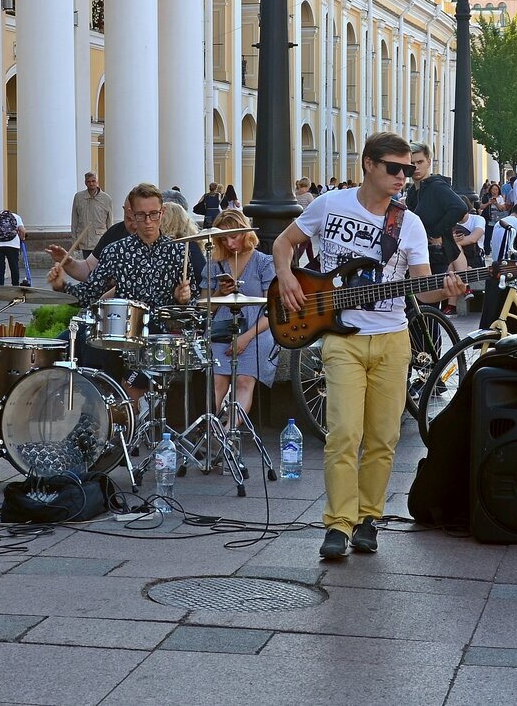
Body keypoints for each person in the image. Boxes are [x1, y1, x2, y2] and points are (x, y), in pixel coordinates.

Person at [271, 132, 464, 559]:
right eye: (394, 168)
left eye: (409, 169)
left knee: (382, 437)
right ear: (369, 165)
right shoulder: (330, 205)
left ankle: (368, 519)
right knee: (343, 433)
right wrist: (286, 276)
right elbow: (284, 242)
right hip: (342, 339)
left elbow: (420, 286)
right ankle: (338, 524)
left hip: (394, 339)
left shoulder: (408, 222)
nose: (403, 177)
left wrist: (448, 289)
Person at [47, 182, 195, 400]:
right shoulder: (116, 251)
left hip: (157, 337)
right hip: (122, 331)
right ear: (132, 215)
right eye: (141, 215)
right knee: (88, 344)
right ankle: (97, 412)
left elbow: (192, 309)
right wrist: (61, 286)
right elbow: (89, 294)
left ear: (162, 213)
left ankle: (129, 413)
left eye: (153, 214)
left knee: (132, 386)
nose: (147, 222)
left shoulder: (178, 251)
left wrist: (185, 298)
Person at [200, 209, 277, 426]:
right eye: (223, 239)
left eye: (234, 236)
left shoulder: (263, 262)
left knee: (245, 381)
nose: (229, 243)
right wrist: (219, 294)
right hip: (222, 327)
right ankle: (210, 430)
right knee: (217, 381)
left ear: (245, 233)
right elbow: (205, 310)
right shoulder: (214, 264)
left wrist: (245, 338)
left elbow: (271, 311)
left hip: (256, 329)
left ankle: (227, 433)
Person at [405, 141, 468, 276]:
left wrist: (436, 232)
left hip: (435, 254)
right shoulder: (412, 191)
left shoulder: (436, 186)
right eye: (411, 163)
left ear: (428, 162)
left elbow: (460, 207)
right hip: (417, 252)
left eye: (420, 162)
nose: (415, 167)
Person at [71, 172, 114, 258]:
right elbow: (74, 220)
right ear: (85, 182)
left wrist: (110, 241)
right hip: (84, 240)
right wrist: (74, 240)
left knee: (98, 266)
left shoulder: (106, 198)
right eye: (88, 181)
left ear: (97, 182)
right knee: (86, 267)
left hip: (100, 240)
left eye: (93, 181)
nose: (91, 183)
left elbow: (110, 222)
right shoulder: (78, 197)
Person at [0, 207, 27, 286]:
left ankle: (0, 286)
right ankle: (15, 285)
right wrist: (22, 238)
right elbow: (22, 230)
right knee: (14, 266)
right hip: (12, 245)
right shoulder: (16, 217)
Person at [478, 181, 507, 255]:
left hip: (497, 218)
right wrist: (489, 203)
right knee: (488, 234)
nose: (494, 191)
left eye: (496, 190)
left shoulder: (500, 198)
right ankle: (487, 250)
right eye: (493, 189)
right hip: (489, 218)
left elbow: (502, 208)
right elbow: (481, 206)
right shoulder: (486, 197)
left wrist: (496, 203)